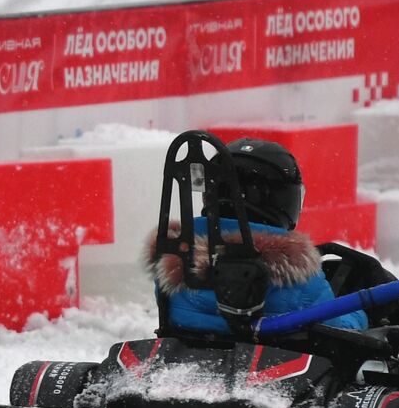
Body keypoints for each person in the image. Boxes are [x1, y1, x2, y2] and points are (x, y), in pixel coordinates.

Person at [146, 137, 367, 334]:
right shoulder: (294, 270)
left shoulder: (174, 255)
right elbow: (338, 327)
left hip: (193, 361)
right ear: (283, 200)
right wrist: (362, 313)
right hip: (266, 369)